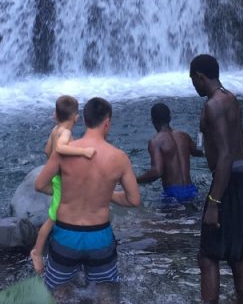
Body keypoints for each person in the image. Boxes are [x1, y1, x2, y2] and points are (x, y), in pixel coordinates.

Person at [34, 97, 140, 290]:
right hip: (99, 236)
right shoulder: (119, 158)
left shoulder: (65, 151)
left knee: (58, 293)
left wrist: (65, 191)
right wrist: (107, 194)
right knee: (106, 294)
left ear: (83, 120)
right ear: (107, 122)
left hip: (66, 235)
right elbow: (133, 200)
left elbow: (39, 185)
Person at [190, 54, 243, 304]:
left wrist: (214, 202)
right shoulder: (229, 98)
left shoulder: (213, 105)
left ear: (200, 77)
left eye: (193, 80)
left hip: (228, 179)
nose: (193, 86)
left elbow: (225, 155)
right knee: (237, 255)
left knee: (207, 256)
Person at [29, 95, 97, 274]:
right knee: (53, 218)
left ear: (56, 115)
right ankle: (37, 252)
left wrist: (54, 166)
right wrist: (83, 151)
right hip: (62, 180)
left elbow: (47, 150)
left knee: (61, 211)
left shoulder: (55, 129)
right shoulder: (65, 133)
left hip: (57, 178)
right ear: (76, 117)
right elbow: (60, 148)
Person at [136, 102, 203, 203]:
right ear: (170, 118)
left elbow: (157, 172)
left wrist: (135, 180)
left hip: (172, 194)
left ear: (152, 120)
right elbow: (200, 151)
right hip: (191, 190)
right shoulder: (184, 136)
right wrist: (201, 132)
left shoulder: (155, 141)